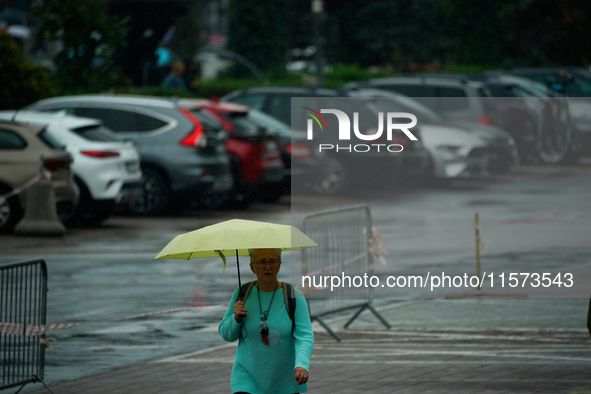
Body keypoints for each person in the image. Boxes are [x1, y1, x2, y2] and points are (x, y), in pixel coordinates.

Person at [219, 248, 314, 394]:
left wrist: (301, 365)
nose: (268, 266)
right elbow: (227, 335)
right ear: (252, 267)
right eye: (262, 262)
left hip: (284, 382)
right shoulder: (242, 293)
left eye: (272, 261)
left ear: (279, 265)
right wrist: (235, 318)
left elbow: (305, 336)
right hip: (246, 380)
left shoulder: (294, 296)